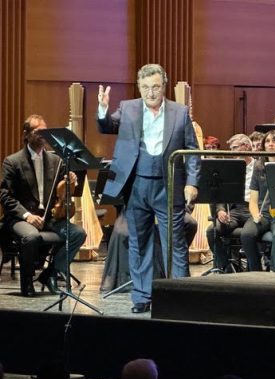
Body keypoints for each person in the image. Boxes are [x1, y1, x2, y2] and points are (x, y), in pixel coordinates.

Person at [96, 63, 200, 314]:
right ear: (139, 88)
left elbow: (193, 151)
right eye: (145, 87)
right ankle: (142, 297)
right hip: (137, 185)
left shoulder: (180, 112)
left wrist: (192, 183)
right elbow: (107, 126)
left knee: (174, 243)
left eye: (155, 87)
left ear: (163, 85)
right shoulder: (129, 108)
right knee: (139, 242)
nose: (150, 92)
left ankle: (180, 297)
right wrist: (102, 108)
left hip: (169, 185)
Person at [0, 114, 87, 297]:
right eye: (37, 131)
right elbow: (5, 195)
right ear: (26, 134)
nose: (42, 135)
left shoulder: (56, 161)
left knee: (78, 233)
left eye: (45, 131)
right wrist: (27, 216)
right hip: (20, 218)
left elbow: (63, 191)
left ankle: (50, 273)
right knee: (31, 237)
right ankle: (27, 285)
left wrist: (70, 182)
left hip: (48, 217)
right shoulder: (13, 161)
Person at [240, 130, 275, 272]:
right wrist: (255, 214)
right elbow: (253, 199)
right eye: (268, 141)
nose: (270, 144)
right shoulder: (258, 166)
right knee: (246, 234)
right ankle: (255, 271)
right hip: (263, 213)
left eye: (274, 141)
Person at [206, 134, 254, 271]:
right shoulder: (230, 167)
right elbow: (222, 192)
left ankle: (254, 268)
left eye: (235, 148)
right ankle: (226, 267)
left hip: (253, 209)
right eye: (231, 148)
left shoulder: (259, 165)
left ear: (246, 147)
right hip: (235, 209)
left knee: (251, 233)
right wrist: (220, 210)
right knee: (212, 231)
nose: (232, 152)